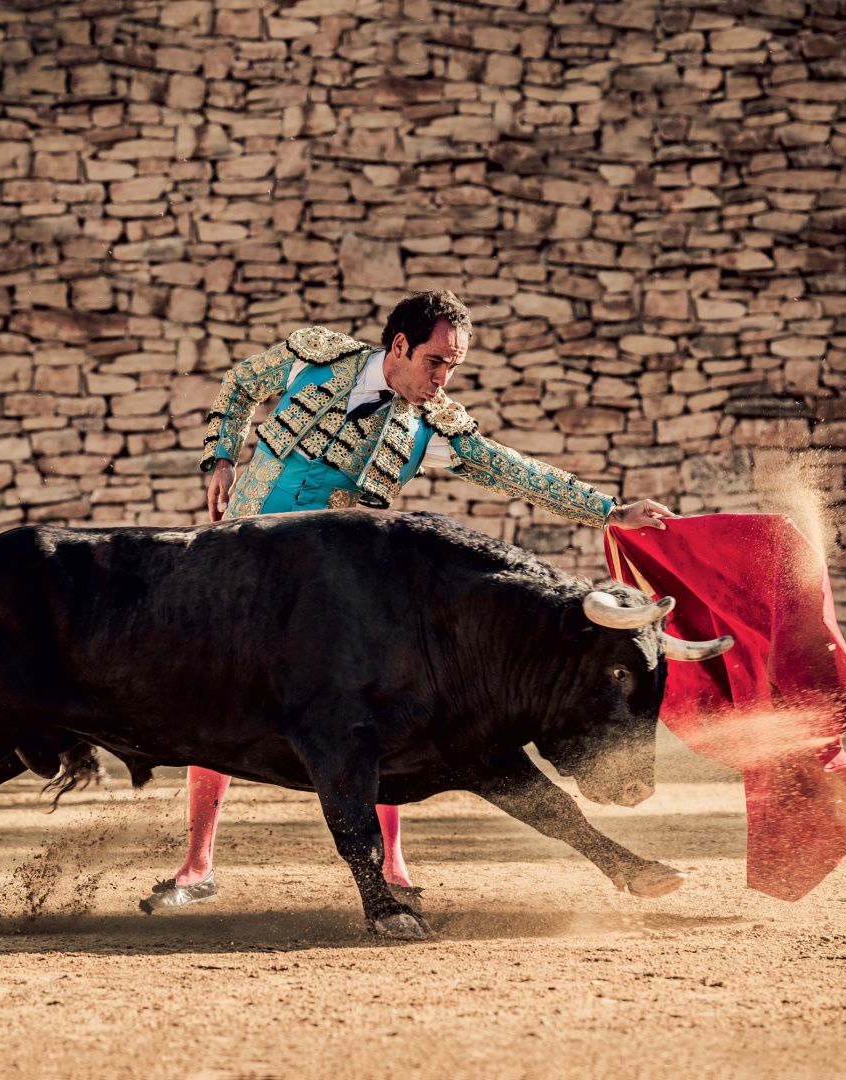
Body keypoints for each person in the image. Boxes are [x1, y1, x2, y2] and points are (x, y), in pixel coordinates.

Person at [140, 290, 675, 914]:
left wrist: (608, 510)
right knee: (216, 701)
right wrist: (221, 458)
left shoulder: (432, 425)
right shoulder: (312, 358)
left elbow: (512, 470)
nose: (443, 379)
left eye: (453, 366)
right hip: (237, 574)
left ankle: (393, 866)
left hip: (328, 602)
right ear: (398, 346)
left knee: (386, 702)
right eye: (436, 362)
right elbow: (236, 386)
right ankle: (198, 864)